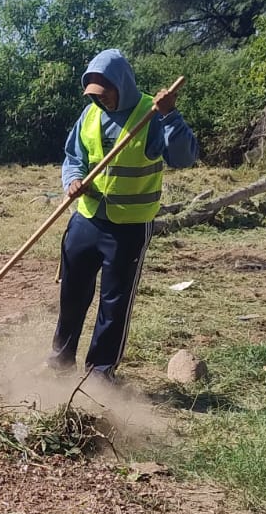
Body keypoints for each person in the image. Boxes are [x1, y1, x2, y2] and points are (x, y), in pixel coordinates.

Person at [50, 48, 198, 378]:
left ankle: (99, 374)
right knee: (72, 294)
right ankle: (59, 363)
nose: (100, 100)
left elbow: (184, 158)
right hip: (86, 219)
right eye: (94, 95)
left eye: (105, 93)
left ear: (122, 84)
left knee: (113, 305)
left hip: (127, 227)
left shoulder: (152, 113)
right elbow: (73, 156)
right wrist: (73, 180)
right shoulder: (90, 115)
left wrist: (170, 116)